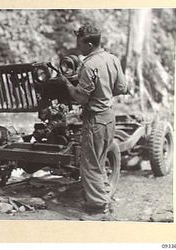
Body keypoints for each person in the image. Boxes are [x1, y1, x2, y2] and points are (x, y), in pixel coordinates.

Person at [62, 24, 128, 220]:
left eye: (80, 44)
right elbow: (122, 87)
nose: (78, 48)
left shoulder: (89, 65)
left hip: (95, 120)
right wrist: (104, 92)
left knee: (90, 165)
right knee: (99, 161)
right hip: (109, 117)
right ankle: (104, 198)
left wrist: (66, 83)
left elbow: (81, 99)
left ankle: (99, 210)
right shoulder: (112, 59)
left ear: (89, 44)